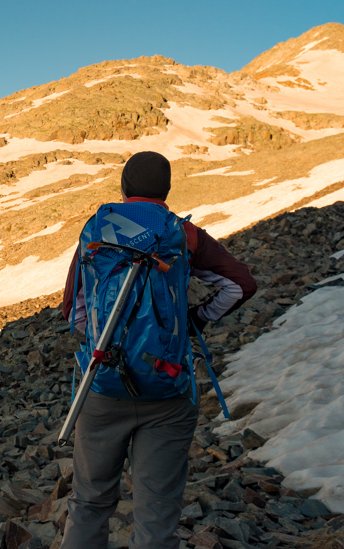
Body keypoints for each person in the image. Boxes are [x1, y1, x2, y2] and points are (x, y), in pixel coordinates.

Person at [59, 151, 257, 549]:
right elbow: (240, 285)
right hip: (168, 388)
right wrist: (196, 319)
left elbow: (73, 311)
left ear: (124, 187)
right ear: (166, 191)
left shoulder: (98, 229)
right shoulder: (183, 235)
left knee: (90, 503)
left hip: (102, 385)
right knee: (157, 511)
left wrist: (107, 341)